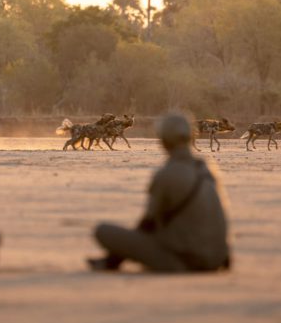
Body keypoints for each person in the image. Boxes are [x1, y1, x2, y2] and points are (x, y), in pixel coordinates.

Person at [87, 113, 231, 273]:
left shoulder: (167, 173)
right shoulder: (206, 169)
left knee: (103, 231)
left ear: (164, 141)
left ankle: (113, 261)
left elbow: (148, 222)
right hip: (217, 258)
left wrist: (114, 259)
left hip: (184, 261)